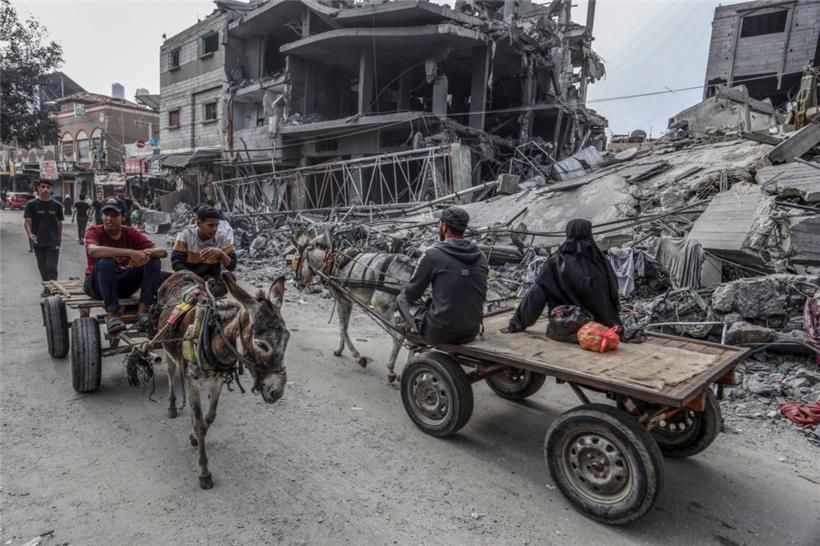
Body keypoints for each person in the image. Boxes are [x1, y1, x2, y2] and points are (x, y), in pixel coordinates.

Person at [502, 219, 621, 334]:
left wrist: (517, 323)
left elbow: (536, 295)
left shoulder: (555, 261)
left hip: (566, 326)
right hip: (602, 328)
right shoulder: (600, 261)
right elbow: (613, 290)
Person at [397, 206, 488, 344]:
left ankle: (413, 329)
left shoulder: (433, 255)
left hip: (441, 332)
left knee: (402, 298)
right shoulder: (481, 255)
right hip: (471, 330)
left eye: (440, 223)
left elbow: (412, 294)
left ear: (444, 227)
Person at [83, 197, 167, 333]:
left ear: (123, 217)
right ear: (101, 216)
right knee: (106, 261)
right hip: (97, 286)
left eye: (114, 215)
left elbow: (162, 252)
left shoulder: (130, 232)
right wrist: (130, 253)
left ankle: (143, 312)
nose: (109, 218)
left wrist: (143, 254)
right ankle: (112, 316)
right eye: (106, 215)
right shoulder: (94, 231)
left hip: (122, 285)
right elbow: (93, 251)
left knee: (153, 260)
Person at [171, 205, 237, 297]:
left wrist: (221, 253)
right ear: (199, 223)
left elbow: (232, 266)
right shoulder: (186, 235)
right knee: (160, 277)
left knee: (230, 278)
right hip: (189, 278)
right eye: (210, 225)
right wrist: (194, 279)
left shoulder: (222, 237)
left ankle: (206, 296)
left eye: (216, 225)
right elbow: (177, 264)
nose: (214, 229)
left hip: (211, 280)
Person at [24, 180, 64, 294]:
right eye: (43, 187)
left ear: (51, 190)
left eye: (48, 187)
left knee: (51, 267)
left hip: (53, 242)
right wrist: (30, 234)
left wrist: (58, 238)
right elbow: (27, 221)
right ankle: (47, 287)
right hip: (38, 242)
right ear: (38, 189)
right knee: (42, 267)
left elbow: (59, 223)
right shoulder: (31, 205)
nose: (45, 189)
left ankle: (52, 289)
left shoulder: (57, 206)